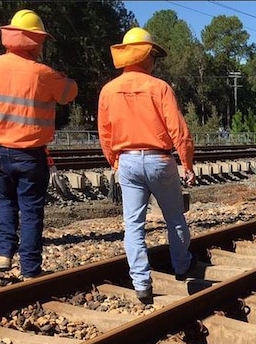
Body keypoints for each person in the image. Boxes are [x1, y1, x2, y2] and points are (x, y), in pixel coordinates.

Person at [0, 9, 78, 279]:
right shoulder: (43, 73)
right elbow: (69, 93)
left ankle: (3, 254)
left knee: (6, 202)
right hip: (30, 155)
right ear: (36, 40)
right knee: (31, 210)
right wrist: (62, 75)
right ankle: (30, 269)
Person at [97, 27, 197, 304]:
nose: (154, 60)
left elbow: (105, 133)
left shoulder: (109, 90)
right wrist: (187, 164)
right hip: (159, 159)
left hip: (126, 160)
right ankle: (182, 266)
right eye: (152, 55)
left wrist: (115, 161)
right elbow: (179, 130)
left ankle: (141, 283)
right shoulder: (159, 87)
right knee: (174, 217)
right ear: (146, 56)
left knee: (133, 225)